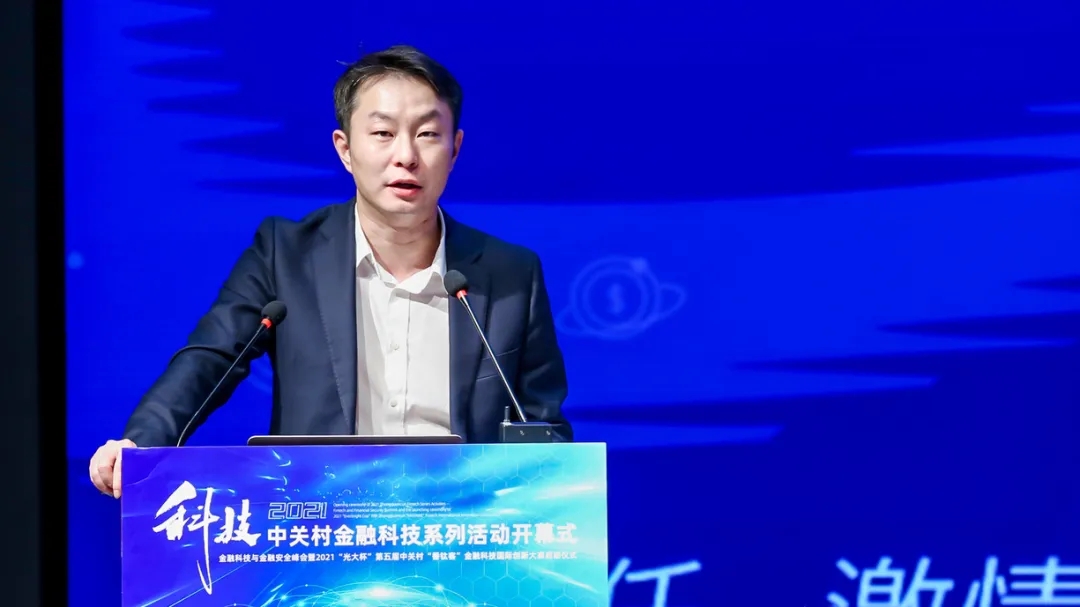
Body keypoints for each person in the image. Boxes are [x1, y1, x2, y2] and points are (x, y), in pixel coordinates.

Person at [88, 45, 572, 498]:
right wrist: (142, 443)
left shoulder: (511, 274)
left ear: (456, 148)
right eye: (382, 134)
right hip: (322, 525)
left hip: (462, 530)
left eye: (427, 134)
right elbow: (209, 359)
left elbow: (544, 429)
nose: (406, 155)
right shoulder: (285, 255)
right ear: (344, 148)